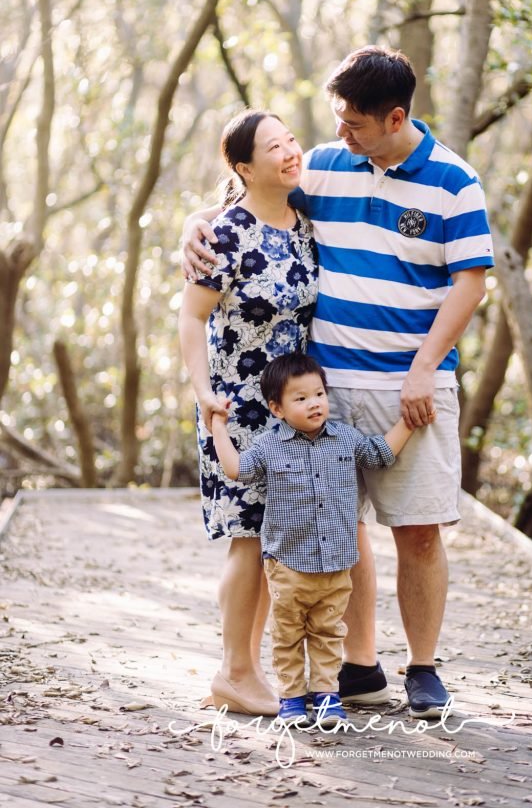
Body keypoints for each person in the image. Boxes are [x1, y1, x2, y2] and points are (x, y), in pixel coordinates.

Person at [183, 47, 494, 719]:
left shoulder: (453, 181)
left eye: (352, 123)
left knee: (417, 530)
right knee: (335, 528)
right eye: (335, 120)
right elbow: (249, 200)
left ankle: (422, 667)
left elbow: (470, 281)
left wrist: (423, 366)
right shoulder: (327, 166)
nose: (337, 135)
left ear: (395, 117)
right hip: (323, 388)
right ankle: (357, 666)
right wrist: (195, 223)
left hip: (412, 383)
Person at [178, 108, 318, 717]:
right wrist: (204, 394)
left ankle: (247, 671)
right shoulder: (226, 235)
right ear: (243, 167)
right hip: (235, 408)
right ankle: (234, 671)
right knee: (248, 539)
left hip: (290, 412)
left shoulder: (303, 221)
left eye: (290, 139)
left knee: (271, 544)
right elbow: (192, 315)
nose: (290, 152)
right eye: (273, 147)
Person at [210, 352, 419, 728]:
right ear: (277, 408)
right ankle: (291, 697)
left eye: (319, 394)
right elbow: (236, 470)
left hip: (337, 565)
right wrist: (219, 429)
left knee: (327, 634)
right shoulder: (269, 446)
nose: (314, 403)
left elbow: (381, 454)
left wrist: (408, 420)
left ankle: (326, 697)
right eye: (301, 398)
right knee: (288, 636)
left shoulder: (345, 438)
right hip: (288, 566)